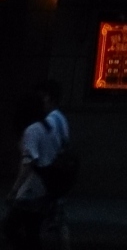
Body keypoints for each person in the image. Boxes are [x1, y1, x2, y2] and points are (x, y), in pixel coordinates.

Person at [4, 91, 57, 249]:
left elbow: (28, 163)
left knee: (10, 227)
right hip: (45, 185)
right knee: (32, 230)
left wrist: (14, 190)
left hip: (31, 187)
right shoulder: (49, 128)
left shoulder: (32, 130)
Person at [37, 80, 71, 248]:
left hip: (49, 174)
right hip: (60, 174)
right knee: (59, 220)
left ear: (48, 97)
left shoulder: (50, 121)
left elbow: (47, 147)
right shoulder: (61, 118)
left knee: (40, 218)